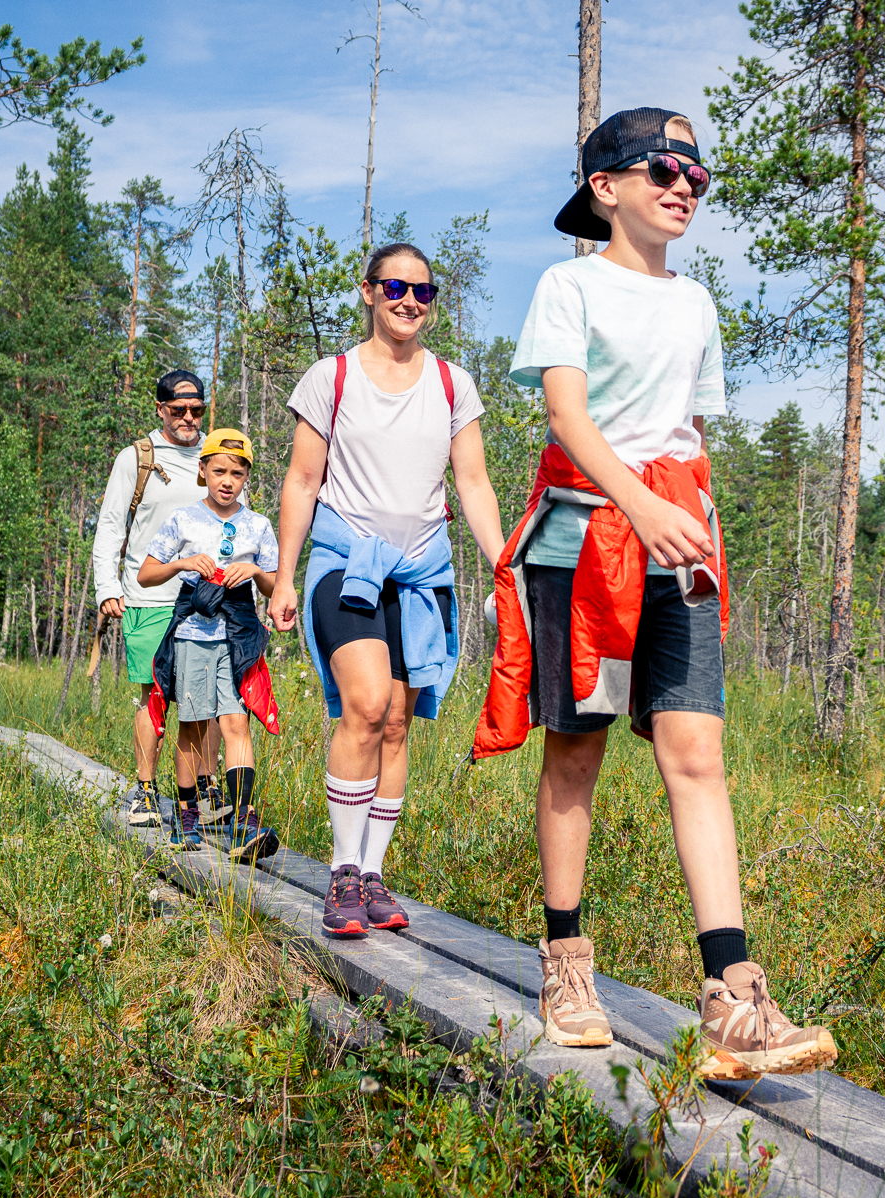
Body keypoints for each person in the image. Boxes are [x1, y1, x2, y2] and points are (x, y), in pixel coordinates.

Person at [476, 108, 836, 1080]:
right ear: (606, 188)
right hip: (581, 532)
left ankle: (733, 996)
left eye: (696, 176)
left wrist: (696, 525)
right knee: (576, 750)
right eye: (662, 169)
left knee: (696, 753)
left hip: (676, 535)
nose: (683, 187)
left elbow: (686, 432)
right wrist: (637, 506)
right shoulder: (570, 285)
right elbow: (566, 415)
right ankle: (565, 963)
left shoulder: (696, 303)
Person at [269, 242, 505, 939]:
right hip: (346, 562)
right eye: (395, 287)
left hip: (420, 572)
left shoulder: (454, 384)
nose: (409, 301)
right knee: (367, 704)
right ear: (369, 291)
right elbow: (302, 480)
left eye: (422, 291)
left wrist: (502, 563)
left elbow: (472, 483)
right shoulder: (332, 376)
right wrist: (283, 575)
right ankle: (342, 871)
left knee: (398, 722)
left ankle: (373, 875)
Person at [137, 428, 279, 857]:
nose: (227, 481)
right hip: (193, 635)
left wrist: (255, 572)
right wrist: (183, 563)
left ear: (247, 476)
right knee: (194, 726)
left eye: (237, 473)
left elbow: (274, 585)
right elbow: (146, 574)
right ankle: (187, 818)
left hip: (237, 636)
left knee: (237, 724)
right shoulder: (183, 519)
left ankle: (244, 820)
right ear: (203, 470)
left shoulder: (258, 526)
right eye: (218, 471)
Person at [93, 369, 208, 825]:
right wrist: (107, 587)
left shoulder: (215, 455)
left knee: (203, 699)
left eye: (196, 410)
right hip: (150, 596)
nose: (188, 418)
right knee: (154, 695)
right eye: (178, 409)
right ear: (160, 409)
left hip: (205, 599)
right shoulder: (137, 457)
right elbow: (110, 524)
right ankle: (144, 792)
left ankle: (199, 796)